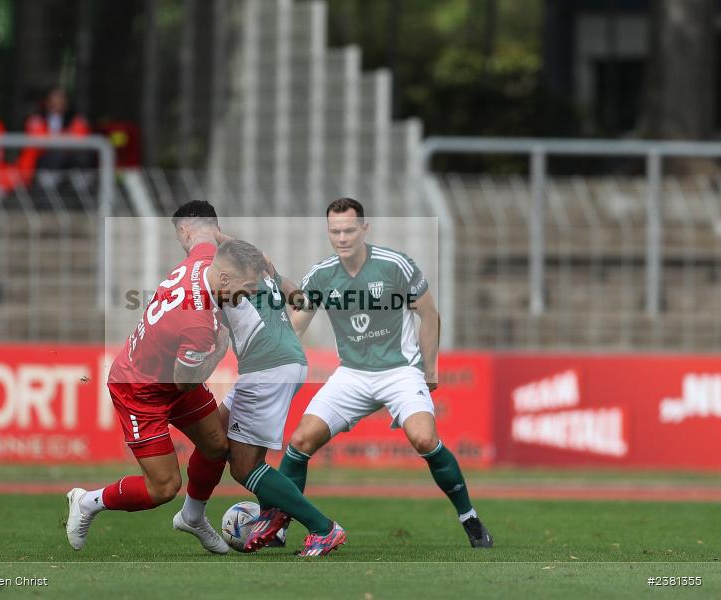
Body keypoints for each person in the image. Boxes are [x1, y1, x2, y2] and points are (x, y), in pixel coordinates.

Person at [274, 197, 494, 548]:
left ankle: (470, 519)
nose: (342, 237)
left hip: (400, 371)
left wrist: (430, 366)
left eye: (348, 230)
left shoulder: (395, 265)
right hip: (352, 374)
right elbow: (295, 327)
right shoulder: (320, 275)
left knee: (424, 440)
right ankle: (278, 528)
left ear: (365, 228)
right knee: (299, 443)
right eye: (335, 231)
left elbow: (430, 315)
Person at [65, 234, 266, 554]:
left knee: (216, 446)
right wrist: (218, 352)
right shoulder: (199, 327)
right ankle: (87, 502)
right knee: (163, 487)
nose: (250, 295)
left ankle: (193, 517)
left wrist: (251, 254)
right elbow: (185, 382)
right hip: (140, 391)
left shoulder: (203, 262)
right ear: (226, 277)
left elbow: (204, 237)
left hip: (166, 374)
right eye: (249, 287)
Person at [169, 201, 347, 557]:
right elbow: (299, 297)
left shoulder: (214, 266)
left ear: (186, 231)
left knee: (245, 467)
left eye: (180, 235)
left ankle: (323, 528)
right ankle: (214, 514)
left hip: (268, 367)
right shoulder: (249, 257)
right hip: (279, 362)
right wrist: (272, 278)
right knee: (215, 435)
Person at [18, 87, 92, 186]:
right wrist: (64, 140)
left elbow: (80, 138)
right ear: (46, 102)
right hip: (46, 160)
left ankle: (80, 187)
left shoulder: (77, 119)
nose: (57, 103)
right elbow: (39, 141)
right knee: (56, 157)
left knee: (82, 157)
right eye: (54, 100)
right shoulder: (36, 119)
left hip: (70, 159)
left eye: (61, 99)